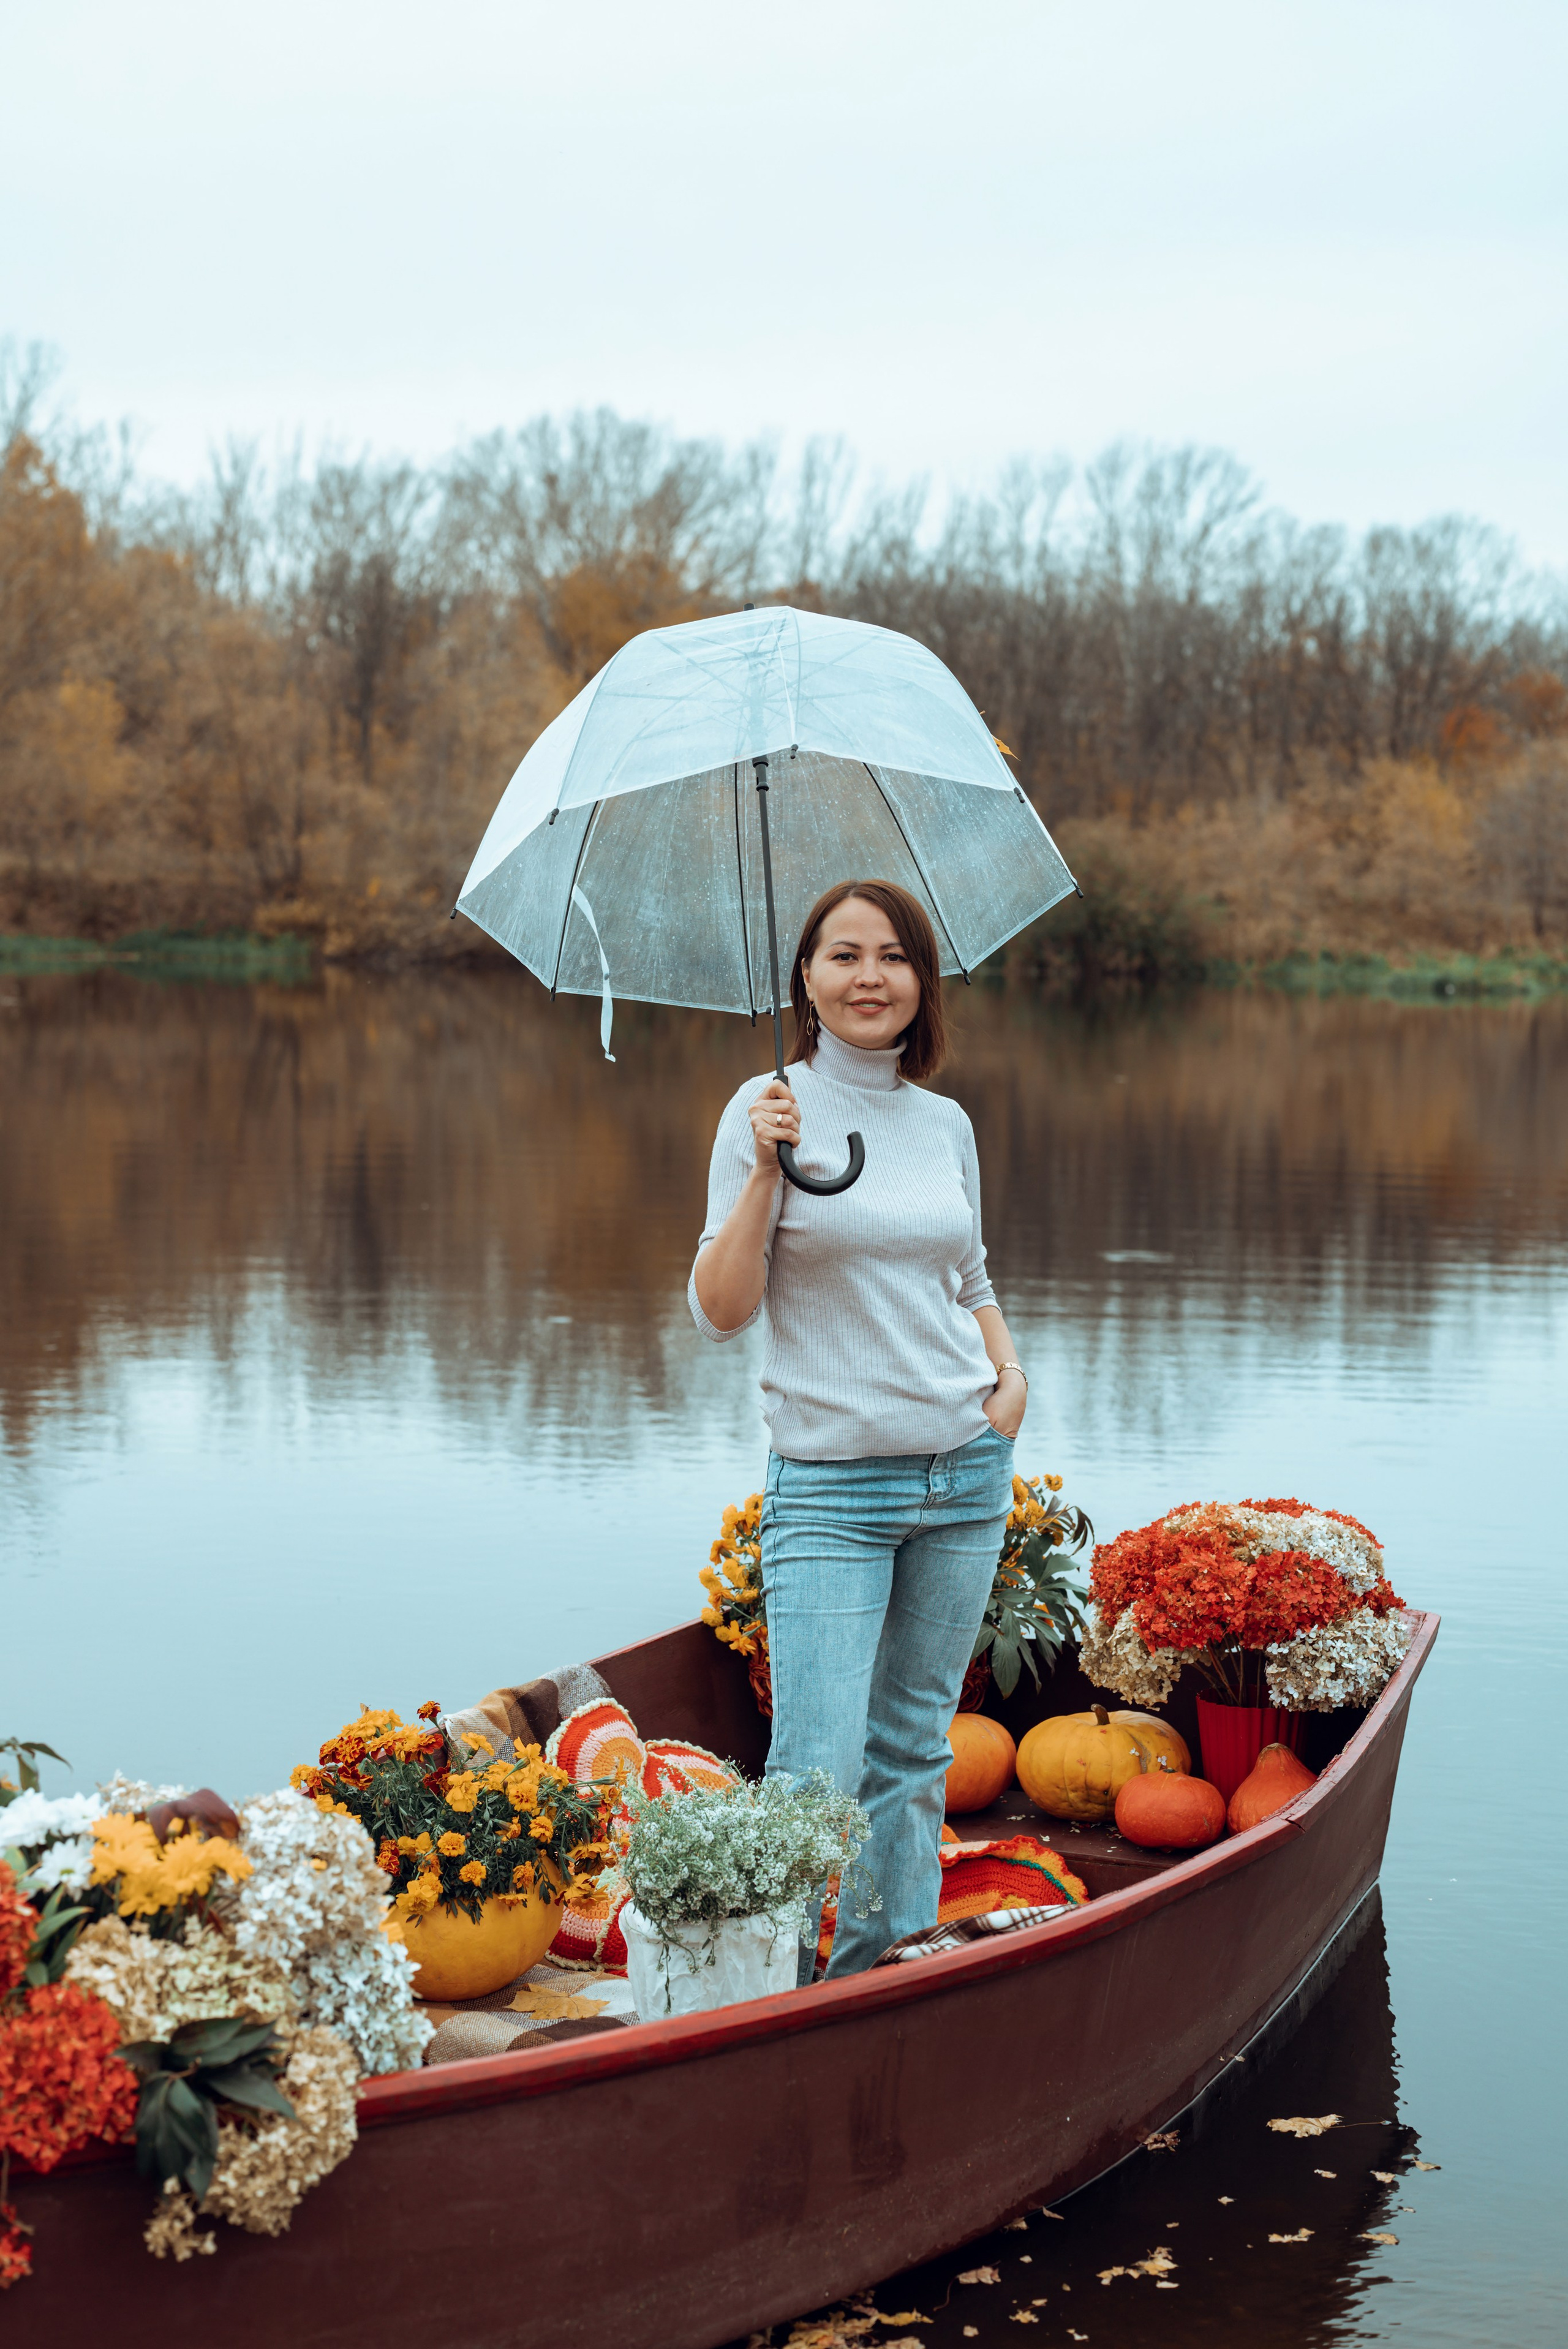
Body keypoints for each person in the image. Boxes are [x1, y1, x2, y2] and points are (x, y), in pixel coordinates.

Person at [689, 878, 1028, 1980]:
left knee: (914, 1748)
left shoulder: (944, 1124)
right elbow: (720, 1312)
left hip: (963, 1475)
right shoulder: (764, 1110)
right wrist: (764, 1173)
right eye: (844, 955)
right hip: (832, 1489)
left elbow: (970, 1273)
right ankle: (775, 1995)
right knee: (814, 1769)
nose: (869, 977)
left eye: (893, 956)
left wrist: (1009, 1378)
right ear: (806, 976)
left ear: (921, 979)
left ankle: (889, 1971)